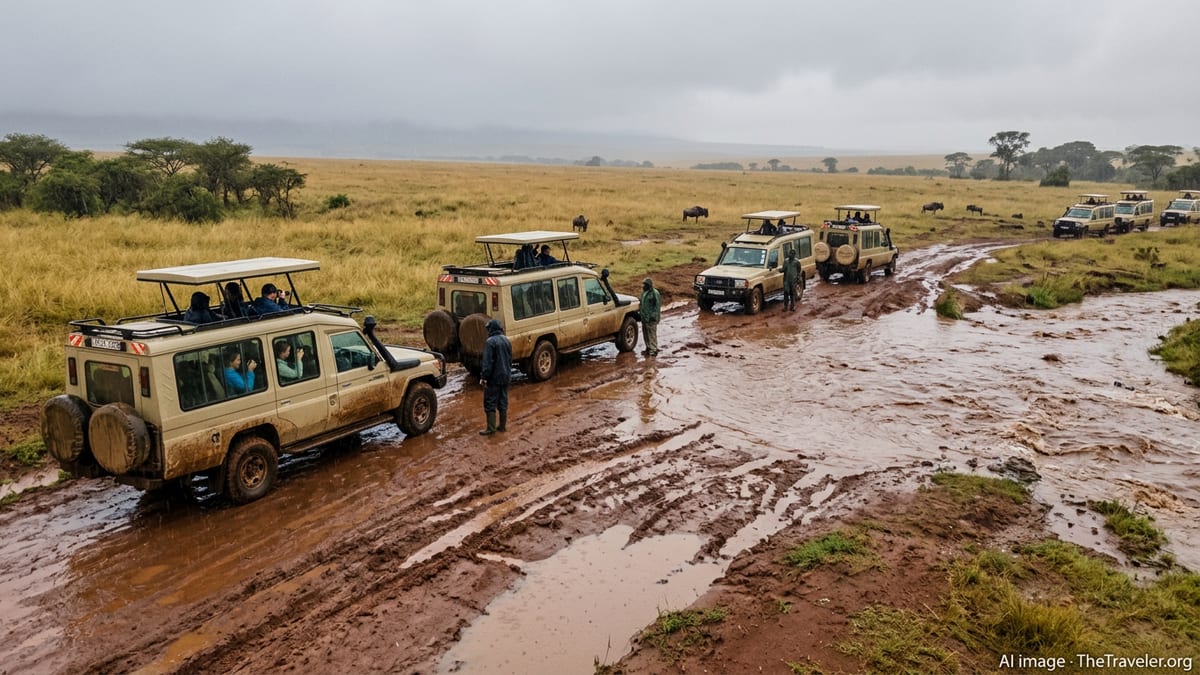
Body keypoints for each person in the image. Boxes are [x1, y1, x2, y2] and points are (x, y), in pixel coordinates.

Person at [479, 319, 512, 436]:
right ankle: (502, 426)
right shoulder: (506, 340)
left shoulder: (490, 342)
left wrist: (484, 377)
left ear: (491, 329)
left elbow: (487, 363)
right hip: (506, 376)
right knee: (503, 401)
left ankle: (491, 428)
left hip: (494, 378)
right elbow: (510, 359)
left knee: (490, 402)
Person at [639, 277, 661, 357]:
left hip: (651, 318)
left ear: (648, 285)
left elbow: (657, 306)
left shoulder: (654, 293)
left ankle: (653, 349)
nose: (643, 286)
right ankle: (648, 347)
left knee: (652, 334)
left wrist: (653, 316)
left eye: (645, 284)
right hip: (644, 318)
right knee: (646, 334)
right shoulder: (644, 293)